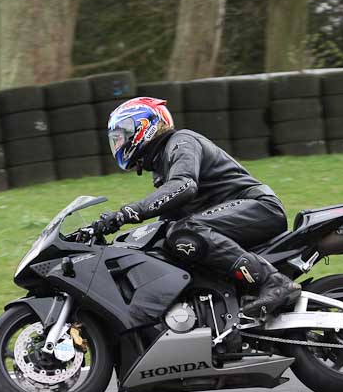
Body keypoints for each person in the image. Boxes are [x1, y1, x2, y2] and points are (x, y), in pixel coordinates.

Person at [92, 96, 301, 317]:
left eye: (120, 137)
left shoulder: (182, 141)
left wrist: (127, 213)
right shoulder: (162, 168)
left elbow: (184, 185)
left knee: (185, 231)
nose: (118, 144)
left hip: (259, 207)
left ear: (143, 126)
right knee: (168, 242)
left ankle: (273, 282)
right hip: (229, 218)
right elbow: (165, 225)